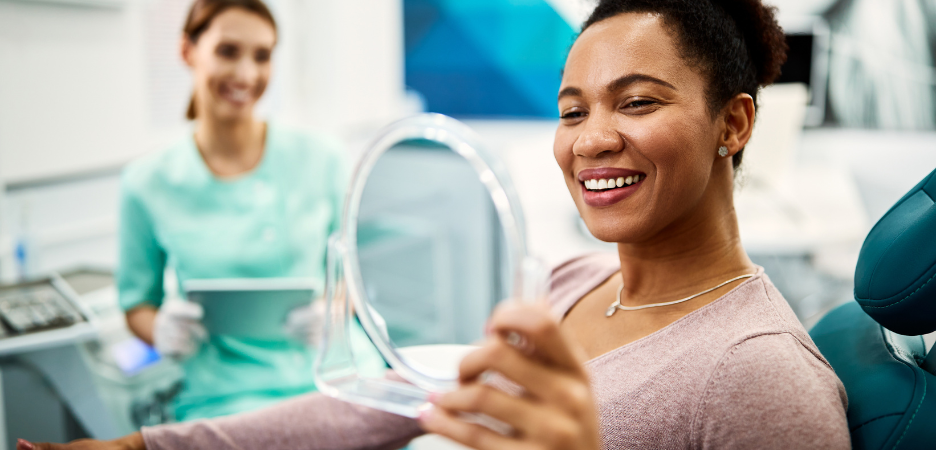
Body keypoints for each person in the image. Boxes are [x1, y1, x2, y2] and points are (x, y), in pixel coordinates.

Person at [18, 0, 851, 448]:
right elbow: (384, 409)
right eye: (570, 110)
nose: (592, 139)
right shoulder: (569, 286)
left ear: (734, 124)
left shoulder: (761, 380)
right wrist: (147, 449)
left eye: (637, 101)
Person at [112, 0, 379, 422]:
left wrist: (331, 312)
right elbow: (137, 306)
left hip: (335, 373)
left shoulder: (322, 158)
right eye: (228, 51)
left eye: (262, 56)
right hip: (224, 395)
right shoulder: (147, 183)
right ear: (188, 52)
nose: (247, 75)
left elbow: (349, 281)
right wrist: (160, 330)